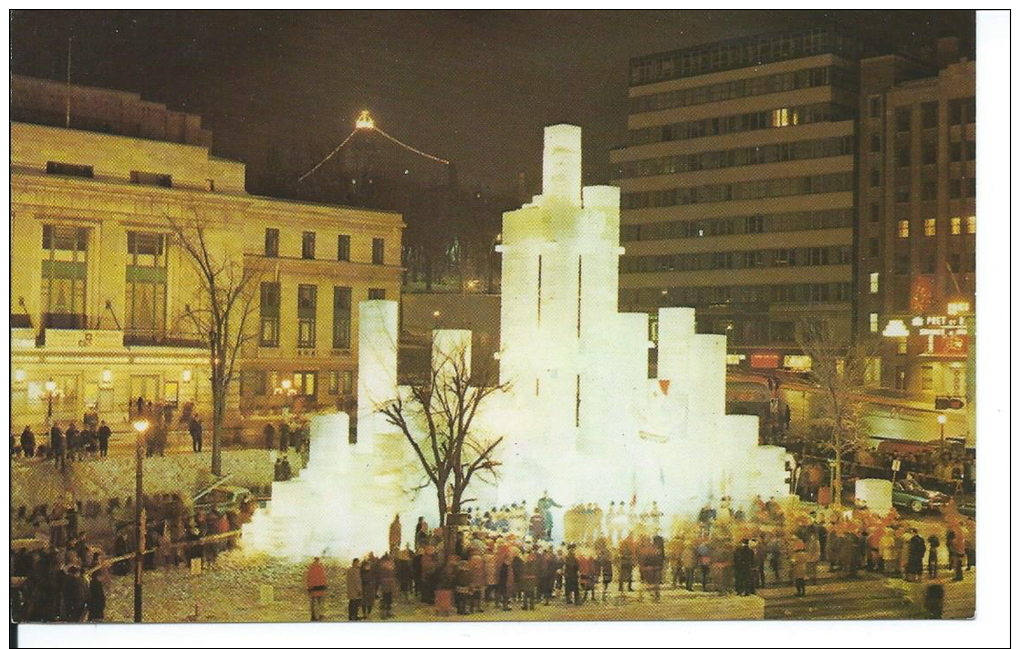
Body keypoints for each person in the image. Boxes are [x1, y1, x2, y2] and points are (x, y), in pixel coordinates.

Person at [306, 556, 328, 621]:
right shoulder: (321, 567)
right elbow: (323, 578)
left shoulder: (311, 568)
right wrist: (325, 586)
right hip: (320, 587)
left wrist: (309, 587)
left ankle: (314, 616)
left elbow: (309, 578)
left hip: (313, 588)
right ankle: (319, 615)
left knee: (314, 603)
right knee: (320, 602)